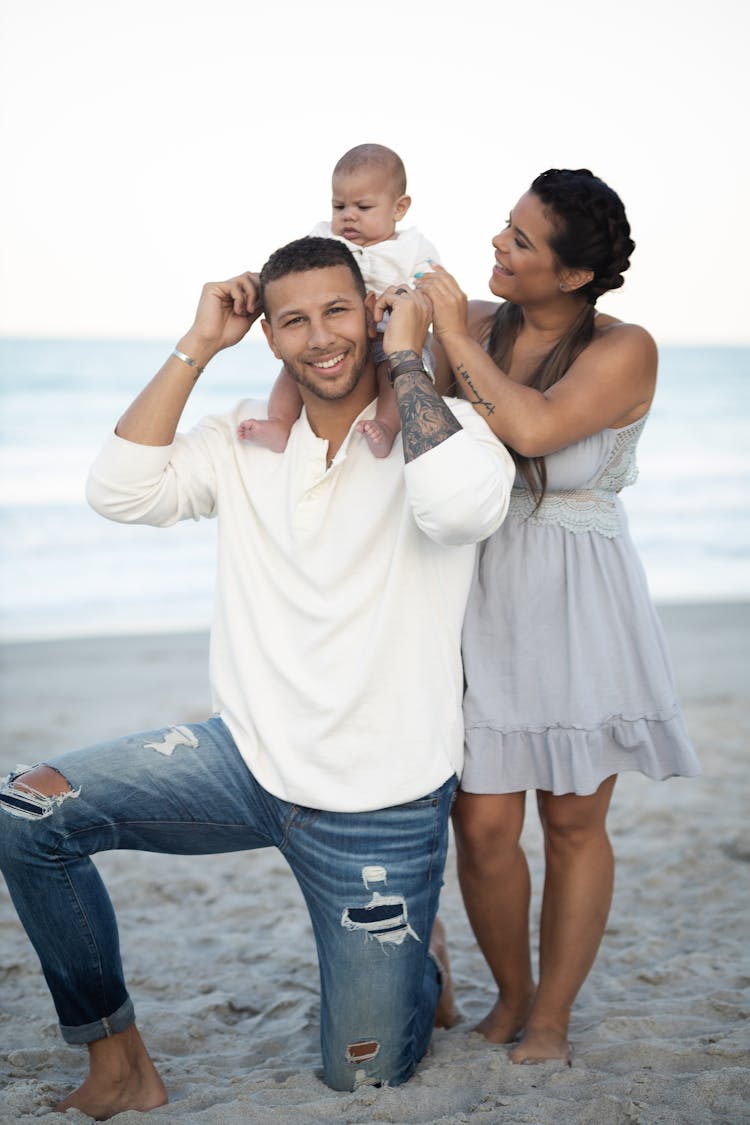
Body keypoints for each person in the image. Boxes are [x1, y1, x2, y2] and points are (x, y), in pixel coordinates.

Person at [0, 235, 515, 1119]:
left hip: (379, 810)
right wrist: (198, 345)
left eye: (338, 311)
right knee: (27, 811)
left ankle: (417, 962)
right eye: (295, 320)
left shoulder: (445, 435)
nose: (321, 337)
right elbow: (117, 491)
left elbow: (462, 507)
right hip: (240, 761)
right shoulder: (242, 439)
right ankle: (118, 1060)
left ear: (374, 310)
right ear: (270, 336)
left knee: (361, 1078)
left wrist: (406, 358)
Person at [416, 169, 701, 1065]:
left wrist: (452, 336)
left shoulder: (626, 348)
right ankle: (513, 991)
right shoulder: (480, 324)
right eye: (505, 228)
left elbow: (533, 430)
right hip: (480, 587)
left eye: (522, 241)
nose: (498, 245)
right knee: (483, 820)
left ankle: (553, 1016)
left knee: (573, 821)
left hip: (580, 600)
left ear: (574, 275)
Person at [238, 143, 440, 458]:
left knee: (394, 375)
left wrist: (416, 302)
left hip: (392, 337)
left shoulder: (413, 249)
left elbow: (430, 287)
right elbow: (293, 274)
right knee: (292, 370)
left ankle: (386, 426)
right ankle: (279, 423)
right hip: (344, 336)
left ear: (398, 208)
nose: (348, 217)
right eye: (339, 207)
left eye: (363, 207)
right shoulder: (324, 240)